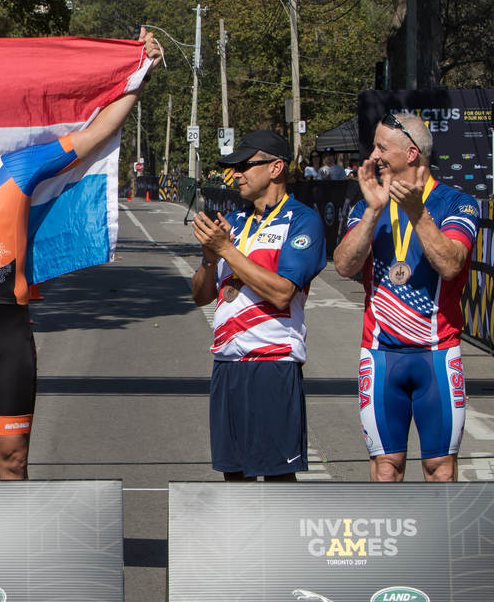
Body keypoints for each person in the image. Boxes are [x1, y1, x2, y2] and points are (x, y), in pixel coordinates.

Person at [0, 29, 163, 481]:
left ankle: (12, 552)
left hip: (9, 334)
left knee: (13, 460)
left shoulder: (18, 169)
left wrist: (140, 75)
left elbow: (95, 134)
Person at [333, 112, 478, 482]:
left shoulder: (455, 203)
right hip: (381, 355)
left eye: (382, 147)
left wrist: (418, 213)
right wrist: (372, 211)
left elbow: (450, 264)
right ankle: (391, 542)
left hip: (437, 354)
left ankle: (437, 542)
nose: (374, 155)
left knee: (440, 471)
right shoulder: (371, 201)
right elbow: (344, 266)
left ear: (411, 154)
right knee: (386, 470)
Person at [190, 131, 327, 481]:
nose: (235, 175)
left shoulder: (302, 220)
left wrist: (226, 251)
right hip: (227, 363)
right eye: (233, 168)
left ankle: (280, 539)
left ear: (276, 168)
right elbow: (201, 296)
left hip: (272, 363)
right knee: (233, 478)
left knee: (277, 480)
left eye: (245, 166)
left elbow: (282, 293)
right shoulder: (234, 222)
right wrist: (209, 260)